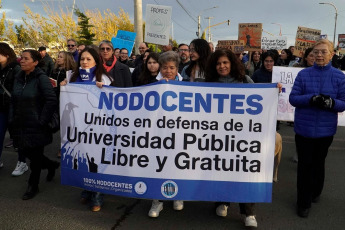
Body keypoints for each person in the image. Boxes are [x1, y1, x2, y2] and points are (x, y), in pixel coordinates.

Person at [289, 39, 345, 218]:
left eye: (323, 52)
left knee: (318, 163)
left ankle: (316, 191)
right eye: (315, 52)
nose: (318, 55)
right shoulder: (303, 74)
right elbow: (293, 99)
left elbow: (343, 103)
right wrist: (311, 99)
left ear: (331, 54)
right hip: (304, 129)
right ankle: (303, 202)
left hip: (325, 131)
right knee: (305, 166)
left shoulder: (339, 76)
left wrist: (331, 102)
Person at [205, 48, 257, 228]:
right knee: (220, 168)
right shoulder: (208, 82)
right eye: (218, 63)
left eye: (225, 63)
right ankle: (222, 201)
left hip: (242, 135)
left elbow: (261, 96)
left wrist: (276, 89)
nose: (222, 66)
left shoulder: (244, 80)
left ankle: (248, 211)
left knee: (242, 171)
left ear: (232, 63)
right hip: (217, 135)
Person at [60, 47, 113, 212]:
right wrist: (63, 86)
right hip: (78, 127)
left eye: (88, 59)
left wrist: (104, 89)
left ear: (96, 61)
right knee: (80, 158)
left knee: (95, 159)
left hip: (96, 127)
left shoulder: (104, 78)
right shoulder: (71, 76)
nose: (84, 62)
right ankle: (86, 188)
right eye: (82, 59)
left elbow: (111, 103)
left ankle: (97, 195)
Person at [9, 49, 59, 200]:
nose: (21, 61)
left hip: (37, 125)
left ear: (35, 62)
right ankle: (51, 165)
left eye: (25, 58)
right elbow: (14, 99)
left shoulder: (41, 78)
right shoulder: (19, 77)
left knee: (35, 158)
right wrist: (12, 119)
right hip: (20, 123)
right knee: (25, 151)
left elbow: (51, 100)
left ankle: (33, 185)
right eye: (21, 58)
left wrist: (42, 120)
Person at [148, 51, 183, 218]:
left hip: (180, 133)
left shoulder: (189, 86)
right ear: (160, 69)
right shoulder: (151, 85)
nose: (168, 71)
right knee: (158, 165)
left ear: (177, 69)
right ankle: (157, 200)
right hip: (158, 133)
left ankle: (178, 195)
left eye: (172, 67)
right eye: (165, 67)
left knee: (178, 164)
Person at [0, 43, 22, 169]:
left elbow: (19, 88)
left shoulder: (15, 68)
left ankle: (22, 162)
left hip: (13, 107)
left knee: (18, 137)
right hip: (1, 107)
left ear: (7, 55)